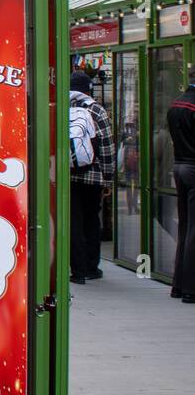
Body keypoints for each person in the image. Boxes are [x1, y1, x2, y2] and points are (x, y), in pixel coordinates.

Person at [68, 70, 115, 285]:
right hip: (94, 176)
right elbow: (106, 146)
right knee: (91, 221)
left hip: (69, 175)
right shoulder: (97, 110)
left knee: (73, 222)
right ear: (88, 89)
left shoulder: (62, 107)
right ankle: (91, 267)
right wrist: (108, 177)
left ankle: (77, 270)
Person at [165, 71, 195, 303]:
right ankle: (190, 288)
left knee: (185, 227)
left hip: (179, 165)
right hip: (193, 167)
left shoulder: (177, 104)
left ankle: (178, 284)